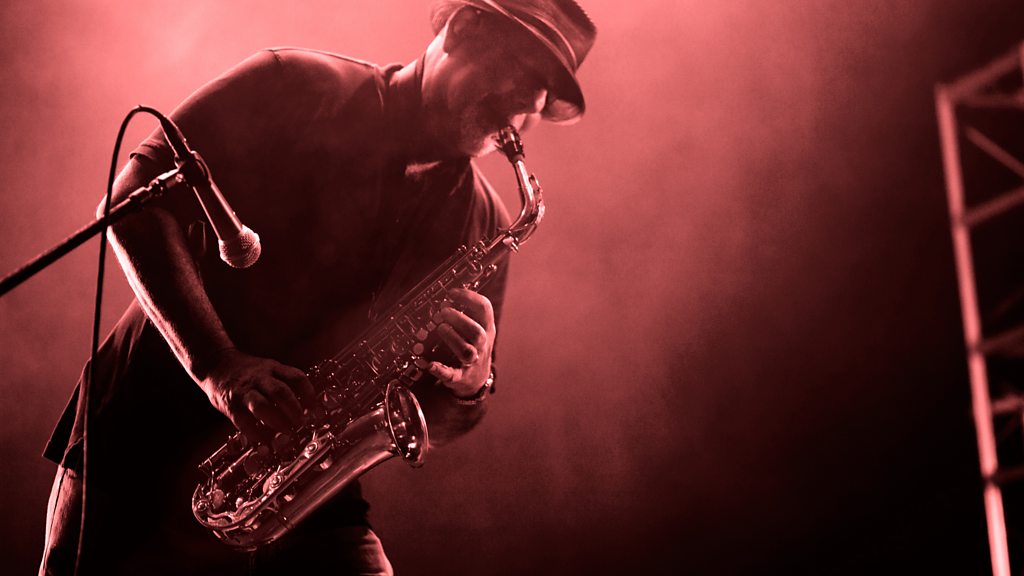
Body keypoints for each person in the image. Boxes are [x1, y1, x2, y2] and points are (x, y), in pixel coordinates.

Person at [38, 1, 596, 574]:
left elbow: (447, 415)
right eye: (519, 72)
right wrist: (219, 367)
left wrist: (471, 385)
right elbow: (133, 199)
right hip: (147, 438)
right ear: (462, 29)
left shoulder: (486, 220)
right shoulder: (293, 84)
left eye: (537, 99)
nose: (524, 110)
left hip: (296, 488)